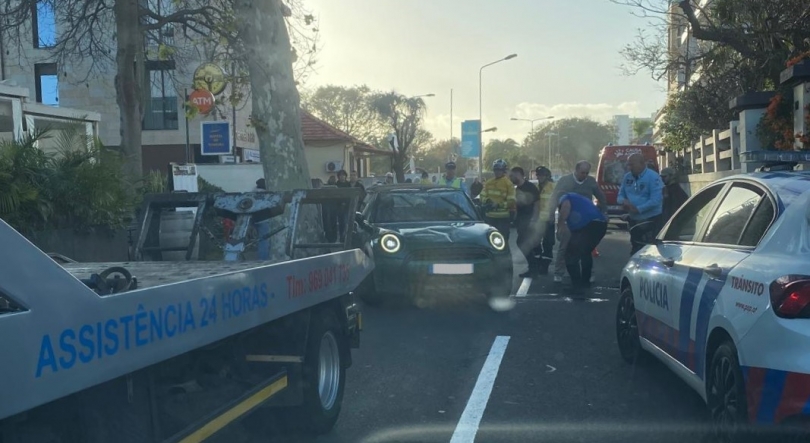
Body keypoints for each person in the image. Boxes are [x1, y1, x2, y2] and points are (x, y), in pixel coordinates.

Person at [548, 161, 608, 283]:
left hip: (586, 221)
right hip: (568, 218)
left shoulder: (591, 181)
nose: (584, 175)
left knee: (586, 248)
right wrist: (552, 216)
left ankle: (588, 273)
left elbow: (601, 196)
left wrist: (604, 212)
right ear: (576, 170)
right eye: (582, 172)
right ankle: (559, 272)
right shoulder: (565, 181)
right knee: (565, 246)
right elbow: (555, 198)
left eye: (586, 173)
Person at [557, 192, 608, 290]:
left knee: (570, 254)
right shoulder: (579, 199)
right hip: (600, 225)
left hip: (588, 225)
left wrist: (560, 226)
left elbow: (565, 209)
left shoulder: (565, 198)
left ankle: (577, 285)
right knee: (585, 252)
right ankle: (585, 282)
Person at [618, 153, 664, 255]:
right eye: (628, 165)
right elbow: (620, 195)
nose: (629, 167)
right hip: (634, 220)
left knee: (649, 249)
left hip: (651, 219)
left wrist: (638, 209)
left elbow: (656, 200)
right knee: (635, 246)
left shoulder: (653, 177)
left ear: (642, 164)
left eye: (632, 165)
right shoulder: (627, 177)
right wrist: (623, 201)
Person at [510, 166, 540, 278]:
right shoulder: (518, 188)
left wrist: (534, 219)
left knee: (522, 242)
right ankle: (533, 268)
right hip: (521, 221)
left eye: (513, 175)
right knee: (525, 243)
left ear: (519, 175)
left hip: (529, 220)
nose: (511, 178)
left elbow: (537, 204)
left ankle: (534, 268)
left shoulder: (530, 187)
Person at [479, 159, 516, 242]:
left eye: (499, 170)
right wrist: (487, 201)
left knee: (503, 241)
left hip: (502, 218)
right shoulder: (489, 182)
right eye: (496, 170)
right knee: (489, 240)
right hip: (489, 217)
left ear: (503, 171)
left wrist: (499, 204)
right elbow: (482, 195)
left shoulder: (508, 184)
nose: (497, 172)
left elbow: (511, 200)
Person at [532, 166, 556, 274]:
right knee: (535, 244)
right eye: (538, 175)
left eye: (541, 175)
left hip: (548, 220)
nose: (539, 177)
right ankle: (537, 264)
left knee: (548, 244)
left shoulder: (553, 187)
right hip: (537, 220)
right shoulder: (535, 188)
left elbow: (556, 203)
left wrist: (552, 216)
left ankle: (544, 267)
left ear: (547, 176)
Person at [252, 178, 271, 260]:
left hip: (254, 219)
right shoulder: (266, 194)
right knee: (264, 240)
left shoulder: (253, 192)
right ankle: (263, 259)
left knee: (260, 240)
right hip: (264, 219)